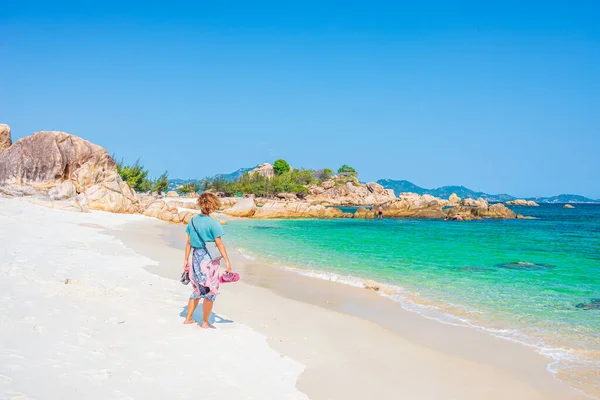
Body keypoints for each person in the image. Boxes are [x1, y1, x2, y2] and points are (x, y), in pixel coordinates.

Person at [183, 192, 232, 328]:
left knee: (198, 289)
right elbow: (219, 244)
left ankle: (188, 318)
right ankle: (204, 322)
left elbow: (188, 243)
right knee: (210, 291)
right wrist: (227, 261)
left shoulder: (192, 221)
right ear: (213, 205)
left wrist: (186, 260)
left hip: (196, 258)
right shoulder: (214, 223)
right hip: (209, 260)